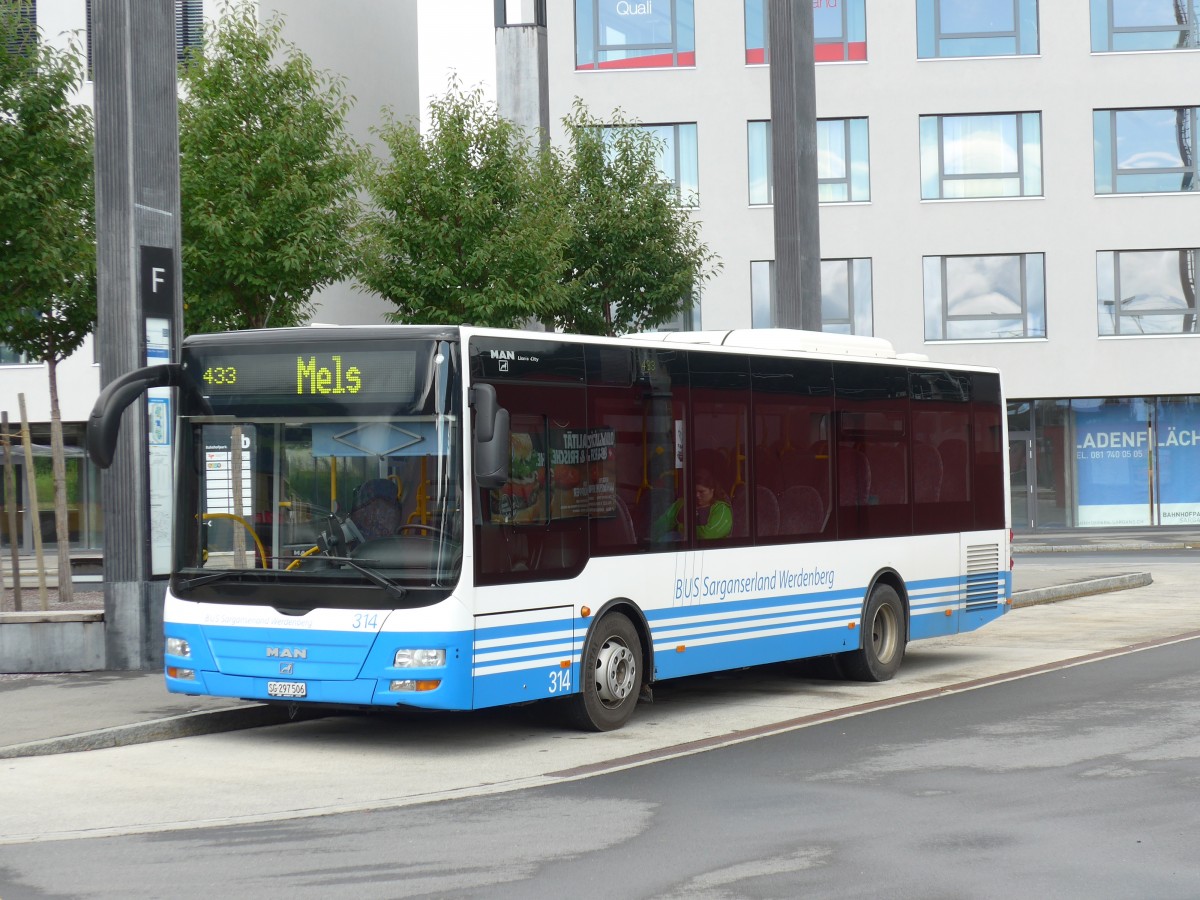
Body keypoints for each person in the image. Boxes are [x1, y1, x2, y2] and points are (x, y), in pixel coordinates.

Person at [652, 468, 733, 541]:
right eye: (694, 491)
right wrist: (677, 517)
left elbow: (708, 535)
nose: (697, 495)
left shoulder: (722, 509)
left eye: (701, 492)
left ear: (712, 490)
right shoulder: (682, 504)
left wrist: (682, 527)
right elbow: (656, 530)